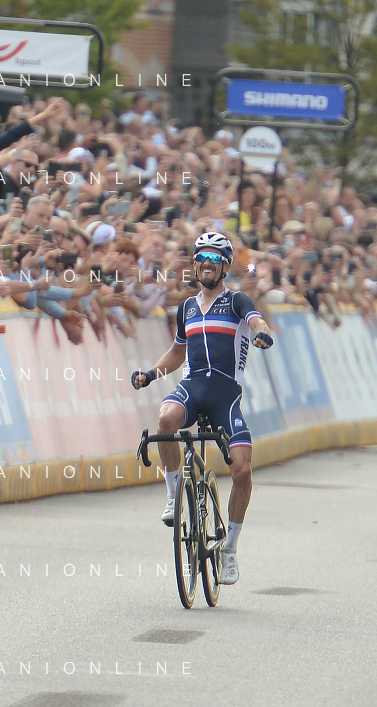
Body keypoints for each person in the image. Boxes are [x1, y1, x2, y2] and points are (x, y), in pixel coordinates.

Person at [130, 232, 274, 586]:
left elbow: (256, 320)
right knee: (166, 419)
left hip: (226, 395)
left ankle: (230, 550)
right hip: (193, 388)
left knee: (242, 470)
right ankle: (173, 495)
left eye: (214, 259)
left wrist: (262, 331)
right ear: (194, 265)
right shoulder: (187, 308)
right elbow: (178, 352)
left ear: (224, 266)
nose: (206, 264)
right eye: (200, 259)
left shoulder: (236, 300)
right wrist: (151, 374)